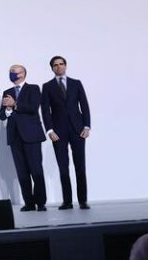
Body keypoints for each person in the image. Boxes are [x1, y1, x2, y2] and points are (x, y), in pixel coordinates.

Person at [41, 55, 91, 210]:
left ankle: (82, 200)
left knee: (80, 166)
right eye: (55, 65)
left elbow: (84, 105)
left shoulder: (76, 84)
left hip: (78, 130)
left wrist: (87, 126)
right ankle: (67, 201)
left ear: (66, 66)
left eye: (61, 64)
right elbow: (45, 110)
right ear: (52, 68)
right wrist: (49, 130)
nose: (59, 67)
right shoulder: (47, 86)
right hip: (58, 132)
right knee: (63, 167)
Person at [0, 64, 47, 211]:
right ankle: (29, 203)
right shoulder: (7, 92)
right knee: (22, 171)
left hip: (32, 135)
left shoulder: (33, 88)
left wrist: (15, 104)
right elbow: (1, 116)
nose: (12, 74)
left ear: (23, 73)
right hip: (15, 137)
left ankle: (40, 202)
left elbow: (32, 107)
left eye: (15, 72)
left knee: (36, 170)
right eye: (10, 72)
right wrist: (7, 109)